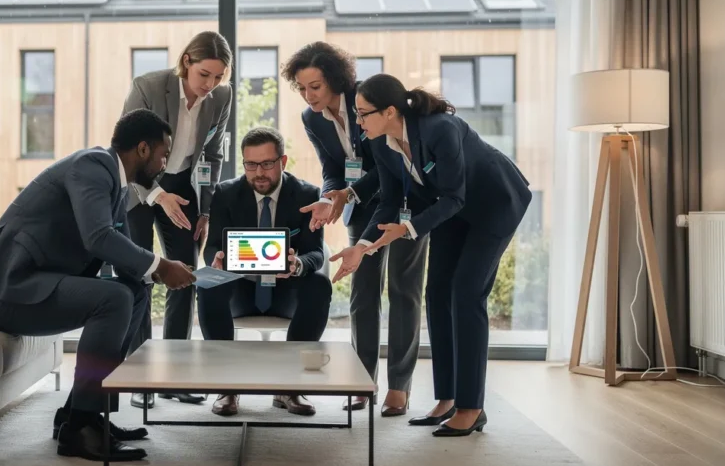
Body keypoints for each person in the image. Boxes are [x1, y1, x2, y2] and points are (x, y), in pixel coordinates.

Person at [0, 109, 197, 461]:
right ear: (144, 149)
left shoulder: (116, 185)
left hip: (32, 283)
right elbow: (98, 238)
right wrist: (161, 264)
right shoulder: (93, 166)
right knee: (116, 298)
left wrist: (159, 275)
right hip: (4, 292)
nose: (166, 162)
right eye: (164, 153)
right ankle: (81, 428)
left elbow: (119, 253)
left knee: (134, 293)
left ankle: (80, 415)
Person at [329, 74, 531, 437]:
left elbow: (455, 194)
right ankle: (447, 398)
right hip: (452, 212)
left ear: (389, 111)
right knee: (437, 294)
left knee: (467, 295)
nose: (358, 123)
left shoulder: (441, 129)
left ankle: (472, 407)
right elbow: (390, 201)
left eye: (363, 115)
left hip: (493, 205)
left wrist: (407, 229)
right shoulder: (381, 142)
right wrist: (362, 246)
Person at [282, 42, 428, 416]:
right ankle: (364, 382)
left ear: (334, 79)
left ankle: (399, 386)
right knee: (363, 293)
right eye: (301, 87)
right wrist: (332, 195)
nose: (308, 94)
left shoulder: (367, 100)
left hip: (402, 200)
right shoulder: (311, 118)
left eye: (314, 86)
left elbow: (389, 163)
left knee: (403, 289)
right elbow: (332, 163)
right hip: (359, 206)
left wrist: (348, 192)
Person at [121, 30, 234, 409]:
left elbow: (214, 154)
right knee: (142, 274)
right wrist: (157, 194)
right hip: (140, 186)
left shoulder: (220, 97)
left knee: (184, 273)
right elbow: (123, 153)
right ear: (186, 61)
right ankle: (142, 379)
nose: (210, 84)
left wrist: (205, 210)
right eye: (205, 75)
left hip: (183, 184)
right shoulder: (149, 87)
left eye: (218, 77)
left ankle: (173, 376)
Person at [197, 127, 333, 417]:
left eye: (267, 164)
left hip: (286, 291)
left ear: (282, 162)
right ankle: (226, 387)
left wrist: (298, 265)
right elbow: (212, 247)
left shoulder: (307, 194)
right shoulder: (225, 193)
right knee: (207, 283)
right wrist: (217, 260)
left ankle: (289, 387)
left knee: (319, 285)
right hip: (241, 289)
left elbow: (316, 252)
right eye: (251, 164)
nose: (259, 173)